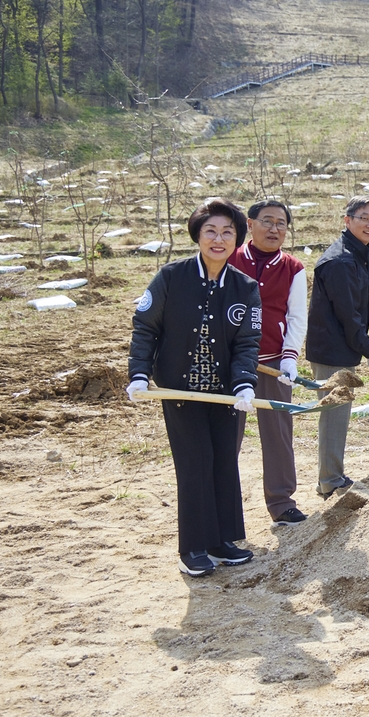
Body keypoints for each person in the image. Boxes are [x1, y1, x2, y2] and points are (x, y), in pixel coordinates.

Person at [126, 198, 262, 577]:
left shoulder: (245, 287)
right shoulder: (171, 276)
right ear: (198, 236)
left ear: (237, 239)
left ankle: (222, 541)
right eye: (210, 232)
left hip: (224, 395)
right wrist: (139, 373)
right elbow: (146, 327)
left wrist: (245, 384)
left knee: (223, 462)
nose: (218, 239)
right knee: (195, 463)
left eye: (227, 232)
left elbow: (248, 342)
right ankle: (193, 548)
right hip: (180, 392)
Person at [229, 200, 308, 526]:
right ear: (250, 224)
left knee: (277, 432)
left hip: (272, 362)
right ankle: (225, 505)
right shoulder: (229, 258)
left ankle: (281, 502)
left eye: (281, 224)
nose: (274, 229)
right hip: (229, 362)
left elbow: (296, 317)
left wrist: (290, 357)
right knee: (225, 434)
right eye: (267, 222)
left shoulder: (293, 267)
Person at [306, 195, 369, 498]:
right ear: (347, 220)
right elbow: (348, 316)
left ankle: (331, 476)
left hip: (342, 347)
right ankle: (330, 481)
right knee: (334, 414)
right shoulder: (341, 260)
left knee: (337, 413)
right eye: (364, 218)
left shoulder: (358, 255)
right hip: (332, 350)